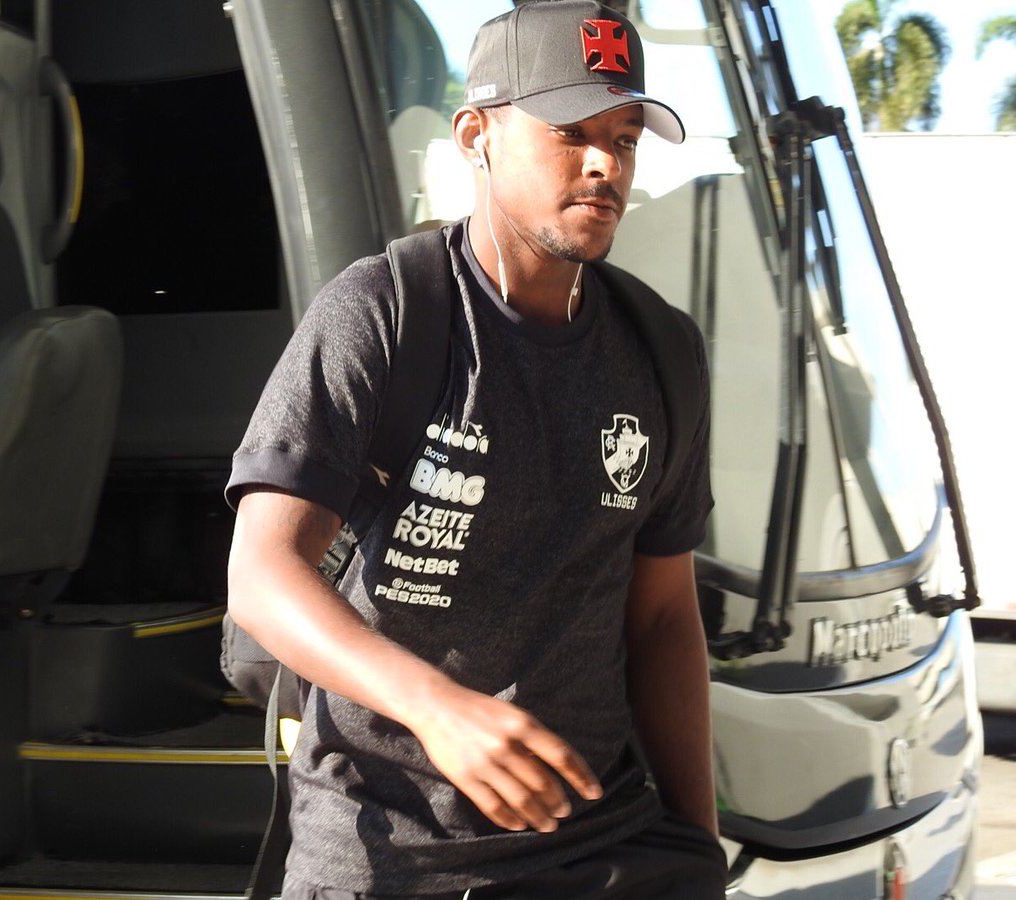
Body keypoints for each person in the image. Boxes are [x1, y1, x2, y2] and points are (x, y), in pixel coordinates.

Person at [225, 2, 725, 897]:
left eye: (624, 138)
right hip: (389, 858)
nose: (606, 164)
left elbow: (661, 619)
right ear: (475, 136)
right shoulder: (383, 314)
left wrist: (700, 844)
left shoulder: (662, 352)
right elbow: (263, 575)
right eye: (571, 132)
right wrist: (439, 710)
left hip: (601, 845)